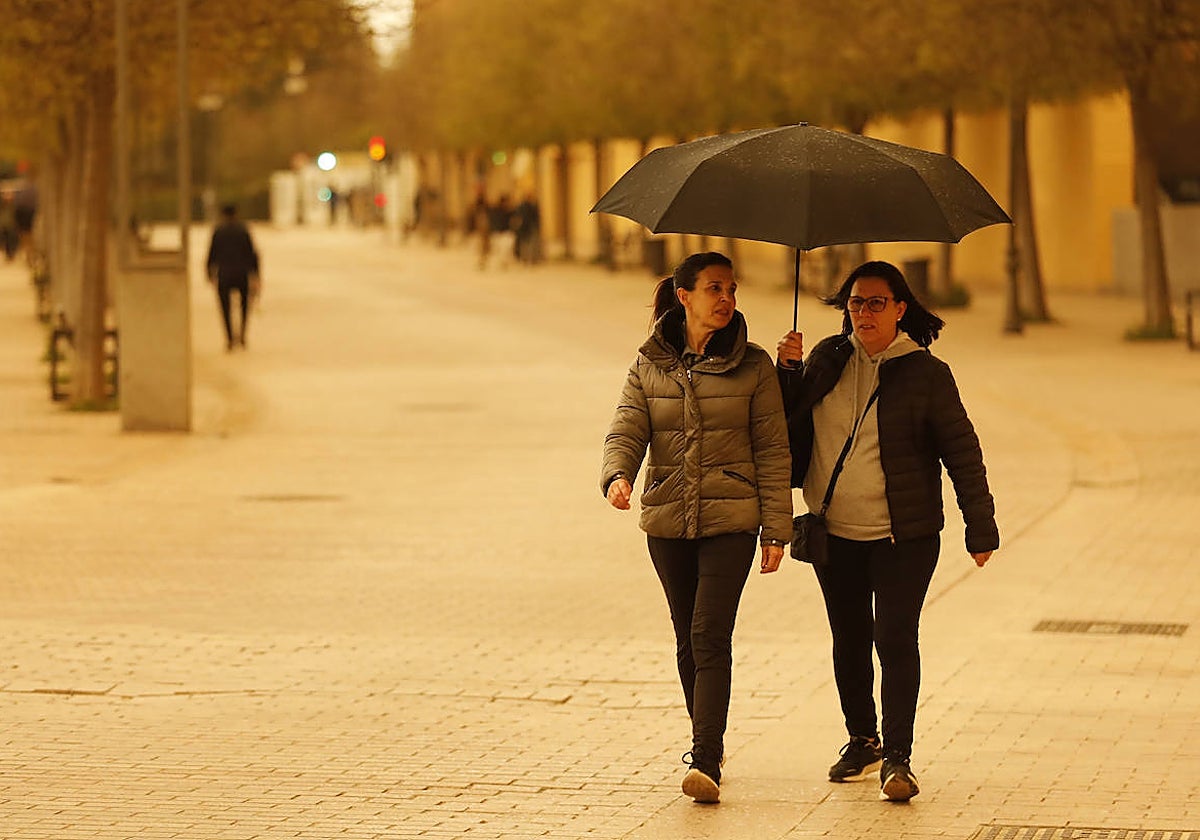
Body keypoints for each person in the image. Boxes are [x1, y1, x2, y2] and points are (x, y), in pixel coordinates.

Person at [775, 260, 998, 802]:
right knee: (848, 639)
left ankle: (898, 758)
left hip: (905, 536)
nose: (864, 312)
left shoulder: (926, 373)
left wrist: (980, 525)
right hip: (834, 531)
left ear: (900, 308)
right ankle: (863, 740)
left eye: (876, 302)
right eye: (856, 302)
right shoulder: (827, 358)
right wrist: (787, 372)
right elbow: (783, 426)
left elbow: (962, 451)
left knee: (894, 638)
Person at [601, 251, 793, 804]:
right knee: (687, 637)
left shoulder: (754, 365)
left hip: (732, 519)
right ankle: (706, 736)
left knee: (710, 633)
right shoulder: (649, 363)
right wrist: (617, 475)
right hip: (668, 520)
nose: (726, 298)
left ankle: (705, 755)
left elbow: (773, 450)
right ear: (684, 296)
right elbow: (627, 427)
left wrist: (776, 529)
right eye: (714, 288)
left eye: (731, 289)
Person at [205, 203, 260, 351]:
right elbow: (252, 254)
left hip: (224, 275)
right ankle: (242, 335)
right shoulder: (243, 230)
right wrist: (256, 275)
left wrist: (209, 273)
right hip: (242, 274)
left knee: (225, 308)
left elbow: (211, 254)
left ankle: (229, 338)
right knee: (244, 306)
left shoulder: (218, 231)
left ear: (223, 215)